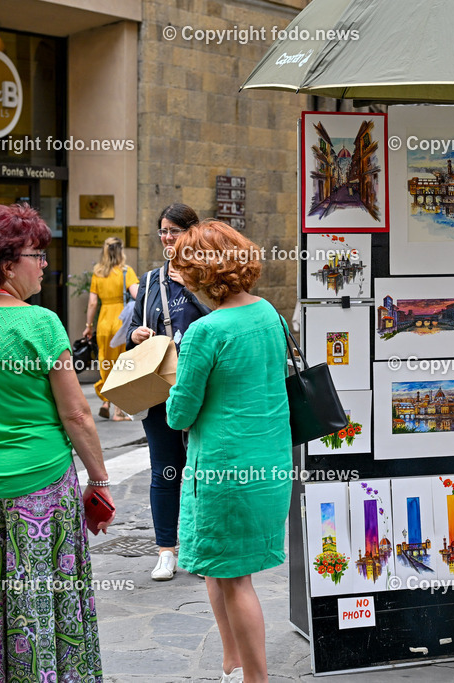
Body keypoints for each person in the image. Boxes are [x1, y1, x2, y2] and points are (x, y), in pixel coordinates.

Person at [0, 203, 112, 681]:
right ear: (8, 263)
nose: (45, 264)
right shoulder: (41, 324)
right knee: (39, 599)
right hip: (40, 486)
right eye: (38, 254)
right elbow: (76, 414)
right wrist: (98, 477)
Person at [166, 220, 292, 683]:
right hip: (269, 461)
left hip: (224, 468)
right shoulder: (269, 315)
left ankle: (254, 677)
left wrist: (168, 383)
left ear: (203, 275)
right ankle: (231, 664)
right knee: (220, 570)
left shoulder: (206, 331)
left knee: (234, 579)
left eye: (186, 272)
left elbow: (181, 413)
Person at [127, 203, 212, 581]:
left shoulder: (210, 276)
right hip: (161, 388)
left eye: (174, 231)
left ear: (192, 232)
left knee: (204, 470)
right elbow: (131, 333)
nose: (166, 238)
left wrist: (190, 285)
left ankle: (200, 545)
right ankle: (166, 550)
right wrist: (137, 335)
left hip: (205, 390)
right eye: (162, 231)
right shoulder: (149, 282)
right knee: (165, 470)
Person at [85, 236, 139, 420]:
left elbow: (92, 303)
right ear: (121, 251)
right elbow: (137, 294)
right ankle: (118, 410)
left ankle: (106, 401)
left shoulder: (97, 273)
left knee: (105, 361)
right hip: (121, 323)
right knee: (122, 364)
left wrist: (88, 326)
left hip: (104, 323)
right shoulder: (126, 272)